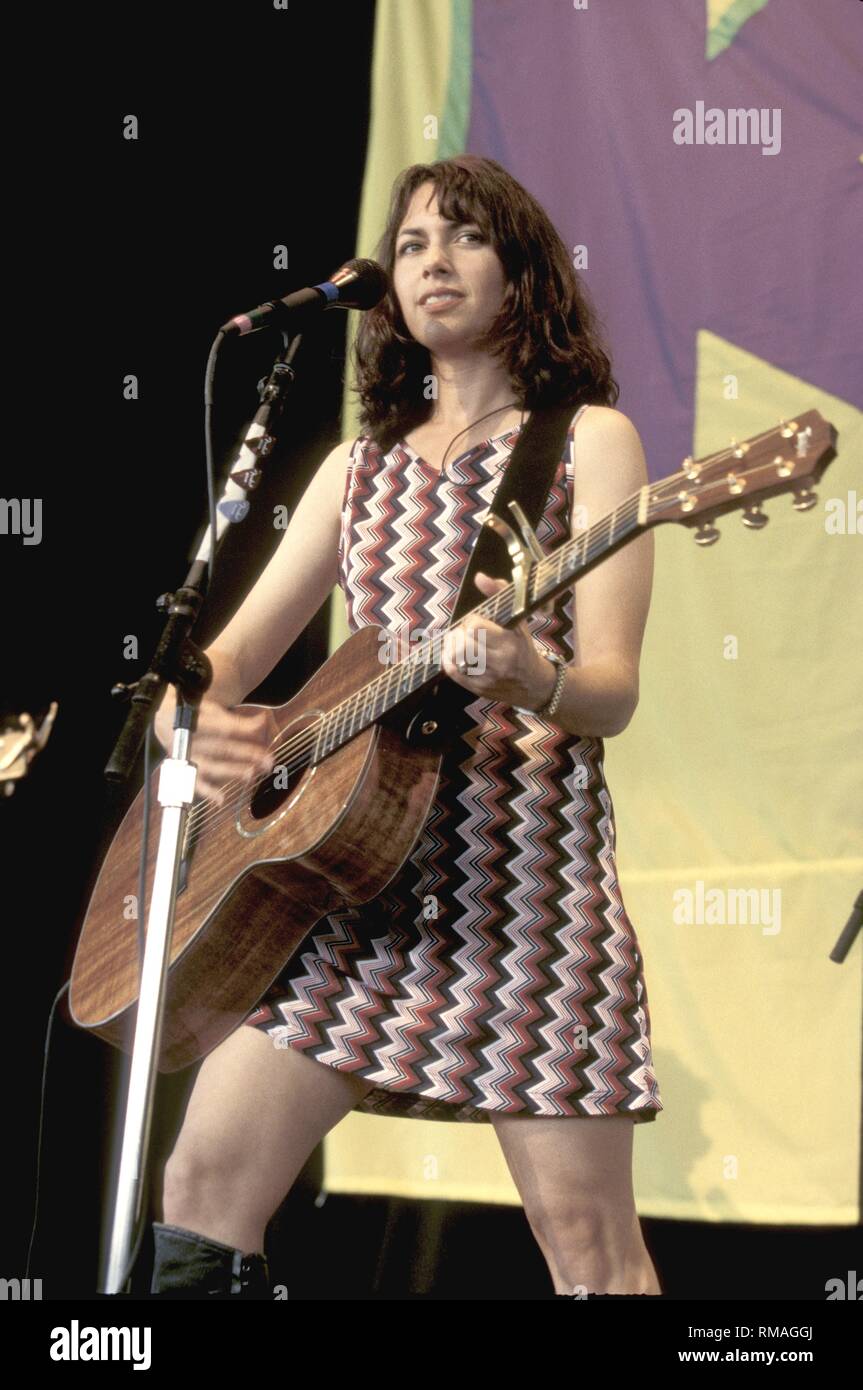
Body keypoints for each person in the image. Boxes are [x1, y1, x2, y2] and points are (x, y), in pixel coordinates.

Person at [150, 154, 663, 1300]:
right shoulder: (357, 468)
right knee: (200, 1186)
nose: (434, 263)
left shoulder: (588, 441)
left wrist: (533, 676)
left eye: (466, 238)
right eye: (416, 242)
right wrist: (205, 727)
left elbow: (612, 690)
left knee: (589, 1249)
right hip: (348, 892)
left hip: (522, 896)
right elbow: (221, 665)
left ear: (520, 270)